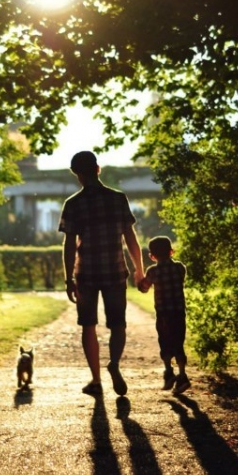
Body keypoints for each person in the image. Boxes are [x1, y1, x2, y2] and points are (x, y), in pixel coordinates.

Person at [59, 150, 145, 396]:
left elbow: (68, 245)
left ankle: (96, 380)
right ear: (98, 169)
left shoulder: (73, 204)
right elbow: (130, 238)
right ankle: (114, 364)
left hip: (85, 274)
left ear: (78, 176)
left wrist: (68, 279)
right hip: (115, 271)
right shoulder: (117, 198)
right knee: (118, 324)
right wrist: (139, 269)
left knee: (88, 326)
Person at [138, 235, 190, 394]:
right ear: (171, 251)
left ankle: (169, 373)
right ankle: (182, 375)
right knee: (178, 342)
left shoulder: (153, 271)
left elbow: (144, 288)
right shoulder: (180, 267)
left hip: (163, 315)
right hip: (179, 313)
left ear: (152, 256)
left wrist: (140, 281)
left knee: (165, 342)